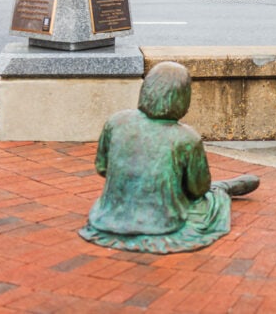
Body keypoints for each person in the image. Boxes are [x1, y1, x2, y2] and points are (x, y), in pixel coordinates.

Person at [79, 62, 260, 254]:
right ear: (183, 97)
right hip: (161, 223)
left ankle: (225, 186)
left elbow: (102, 168)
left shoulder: (116, 121)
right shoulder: (187, 137)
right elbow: (197, 189)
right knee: (212, 200)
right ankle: (224, 188)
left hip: (108, 218)